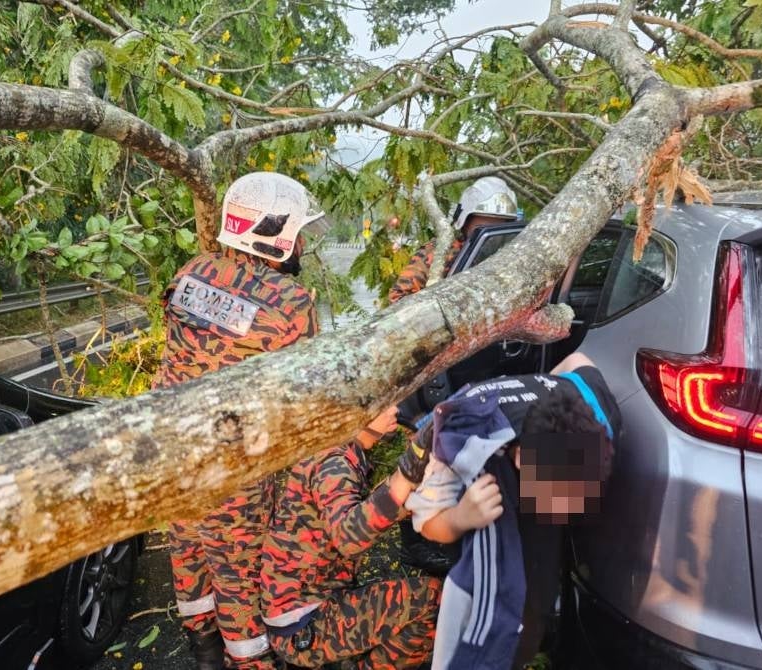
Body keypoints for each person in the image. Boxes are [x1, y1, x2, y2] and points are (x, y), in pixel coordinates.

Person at [152, 172, 327, 670]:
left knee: (187, 552)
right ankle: (246, 660)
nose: (302, 244)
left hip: (173, 453)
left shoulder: (190, 273)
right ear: (273, 233)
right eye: (297, 233)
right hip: (233, 471)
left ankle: (202, 649)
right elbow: (306, 396)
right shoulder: (292, 303)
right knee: (239, 575)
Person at [406, 352, 621, 669]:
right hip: (479, 504)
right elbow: (425, 522)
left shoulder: (594, 404)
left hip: (537, 453)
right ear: (520, 457)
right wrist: (460, 518)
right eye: (558, 495)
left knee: (535, 598)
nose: (565, 507)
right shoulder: (462, 442)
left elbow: (577, 358)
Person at [388, 176, 519, 577]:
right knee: (425, 458)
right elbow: (397, 309)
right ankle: (420, 538)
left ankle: (461, 528)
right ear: (464, 222)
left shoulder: (510, 259)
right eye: (484, 224)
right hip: (438, 372)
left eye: (499, 224)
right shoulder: (437, 257)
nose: (490, 232)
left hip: (484, 370)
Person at [260, 406, 443, 669]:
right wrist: (406, 474)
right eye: (382, 405)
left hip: (300, 608)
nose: (395, 410)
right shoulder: (334, 463)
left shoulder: (337, 450)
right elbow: (349, 537)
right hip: (304, 622)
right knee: (432, 599)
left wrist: (415, 493)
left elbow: (366, 508)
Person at [388, 176, 517, 303]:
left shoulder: (513, 255)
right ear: (465, 223)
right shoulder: (437, 254)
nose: (491, 238)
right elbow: (398, 300)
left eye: (498, 228)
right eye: (481, 229)